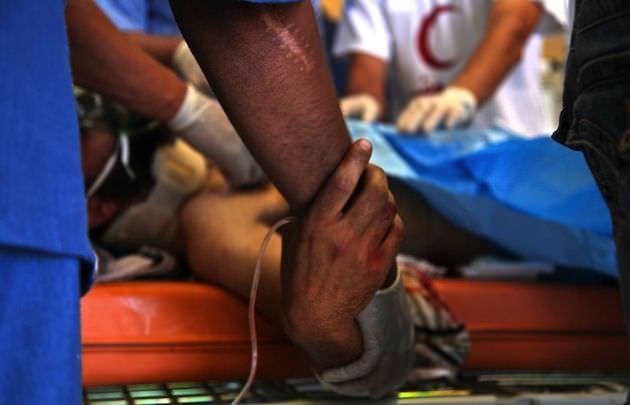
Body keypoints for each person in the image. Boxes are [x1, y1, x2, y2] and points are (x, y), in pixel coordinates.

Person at [0, 0, 410, 403]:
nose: (85, 106)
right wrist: (335, 332)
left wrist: (179, 89)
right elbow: (245, 20)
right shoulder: (206, 221)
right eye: (79, 129)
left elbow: (50, 19)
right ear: (95, 209)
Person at [334, 0, 565, 137]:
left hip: (511, 157)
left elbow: (514, 25)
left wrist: (462, 95)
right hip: (426, 168)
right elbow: (367, 63)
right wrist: (366, 102)